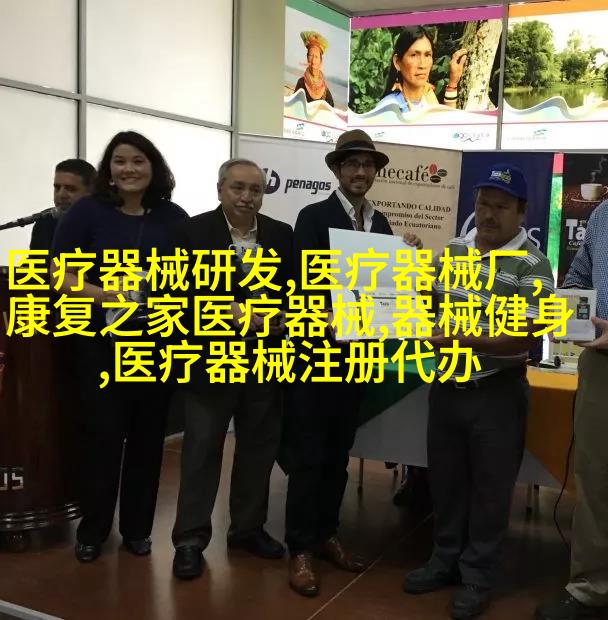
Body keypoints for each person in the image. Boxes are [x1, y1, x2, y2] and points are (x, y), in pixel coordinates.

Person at [403, 164, 555, 619]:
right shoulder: (453, 251)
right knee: (446, 482)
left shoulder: (534, 264)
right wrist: (403, 268)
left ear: (521, 212)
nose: (488, 214)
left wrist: (462, 338)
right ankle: (444, 560)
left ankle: (477, 576)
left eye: (500, 207)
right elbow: (426, 302)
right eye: (483, 204)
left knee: (491, 490)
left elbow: (526, 334)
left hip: (497, 392)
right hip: (447, 386)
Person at [281, 129, 422, 597]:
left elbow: (385, 289)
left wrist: (406, 258)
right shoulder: (313, 217)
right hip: (315, 353)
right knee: (308, 454)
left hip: (357, 354)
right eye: (352, 164)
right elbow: (300, 283)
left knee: (338, 453)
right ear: (338, 170)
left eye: (368, 165)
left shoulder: (381, 225)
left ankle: (326, 534)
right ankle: (300, 548)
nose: (360, 172)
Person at [52, 131, 188, 563]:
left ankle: (137, 530)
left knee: (148, 442)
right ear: (108, 170)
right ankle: (92, 530)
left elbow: (190, 279)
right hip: (100, 345)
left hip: (157, 345)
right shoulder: (87, 211)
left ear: (154, 167)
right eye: (119, 161)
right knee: (102, 440)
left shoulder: (174, 217)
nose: (128, 169)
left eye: (138, 161)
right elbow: (59, 276)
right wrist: (106, 295)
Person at [171, 158, 293, 580]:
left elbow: (297, 292)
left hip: (265, 360)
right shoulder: (191, 233)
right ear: (220, 189)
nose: (246, 197)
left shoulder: (281, 234)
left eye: (255, 190)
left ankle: (247, 529)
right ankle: (189, 539)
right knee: (202, 451)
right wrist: (229, 310)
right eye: (238, 188)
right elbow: (174, 295)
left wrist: (281, 316)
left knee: (258, 449)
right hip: (210, 360)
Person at [536, 201, 608, 620]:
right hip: (600, 364)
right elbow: (579, 275)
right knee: (595, 477)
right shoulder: (602, 216)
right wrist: (572, 311)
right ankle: (591, 587)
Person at [377, 26, 467, 113]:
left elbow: (446, 121)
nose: (422, 64)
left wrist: (453, 82)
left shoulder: (428, 96)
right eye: (414, 55)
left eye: (427, 55)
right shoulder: (389, 108)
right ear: (397, 62)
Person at [30, 158, 96, 251]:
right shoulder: (46, 221)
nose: (61, 195)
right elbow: (37, 259)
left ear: (91, 193)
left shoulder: (105, 224)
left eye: (70, 189)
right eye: (57, 188)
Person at [294, 31, 335, 106]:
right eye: (310, 56)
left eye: (316, 57)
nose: (313, 61)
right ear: (307, 58)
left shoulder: (326, 92)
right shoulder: (301, 83)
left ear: (321, 61)